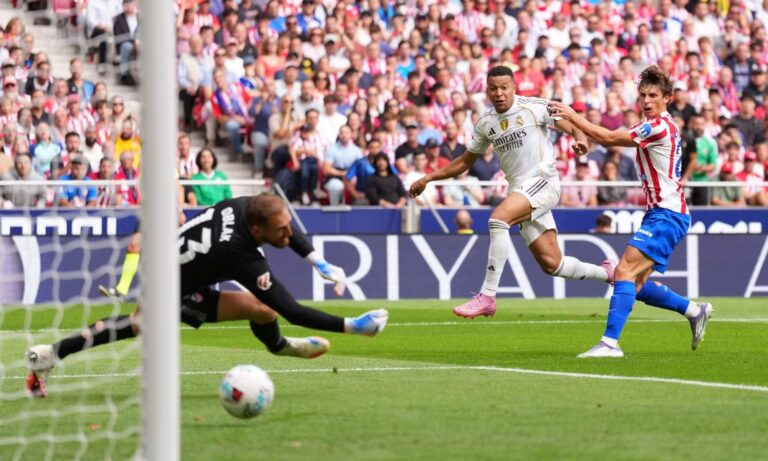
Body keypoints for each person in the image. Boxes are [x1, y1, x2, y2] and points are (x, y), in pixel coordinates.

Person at [27, 194, 389, 397]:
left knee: (262, 312)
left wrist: (317, 261)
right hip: (168, 280)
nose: (288, 235)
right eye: (279, 232)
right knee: (137, 326)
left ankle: (281, 347)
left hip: (179, 262)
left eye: (288, 227)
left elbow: (281, 222)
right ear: (256, 229)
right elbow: (291, 308)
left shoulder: (249, 206)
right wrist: (352, 326)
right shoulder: (238, 253)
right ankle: (50, 355)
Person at [410, 65, 613, 319]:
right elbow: (464, 161)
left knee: (498, 219)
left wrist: (581, 140)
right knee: (553, 264)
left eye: (504, 87)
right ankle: (607, 273)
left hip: (543, 182)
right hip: (520, 191)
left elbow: (573, 125)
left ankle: (487, 296)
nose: (499, 93)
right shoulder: (485, 123)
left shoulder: (534, 107)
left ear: (514, 87)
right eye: (493, 88)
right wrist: (429, 178)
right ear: (487, 91)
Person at [548, 66, 713, 358]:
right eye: (642, 95)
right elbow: (606, 137)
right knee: (634, 284)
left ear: (667, 98)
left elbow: (610, 138)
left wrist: (572, 115)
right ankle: (693, 309)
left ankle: (610, 344)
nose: (646, 101)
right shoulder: (657, 125)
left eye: (653, 95)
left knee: (623, 271)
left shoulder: (657, 126)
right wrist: (581, 134)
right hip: (662, 213)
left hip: (667, 213)